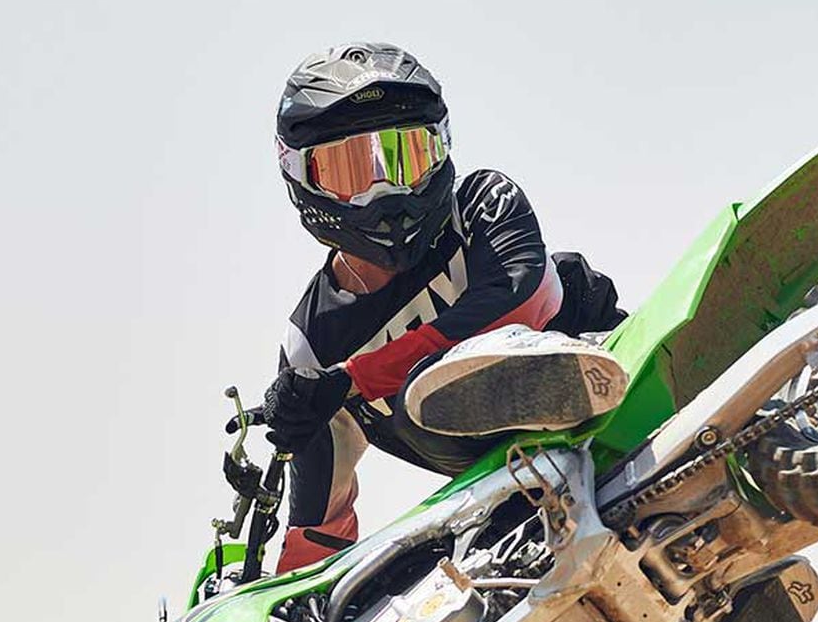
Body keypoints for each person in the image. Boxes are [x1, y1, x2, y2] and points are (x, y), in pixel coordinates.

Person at [261, 42, 628, 573]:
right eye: (352, 170)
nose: (389, 190)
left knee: (434, 378)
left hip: (622, 376)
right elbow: (320, 528)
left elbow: (515, 300)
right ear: (302, 177)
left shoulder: (485, 201)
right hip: (509, 500)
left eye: (407, 157)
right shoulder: (311, 350)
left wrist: (355, 379)